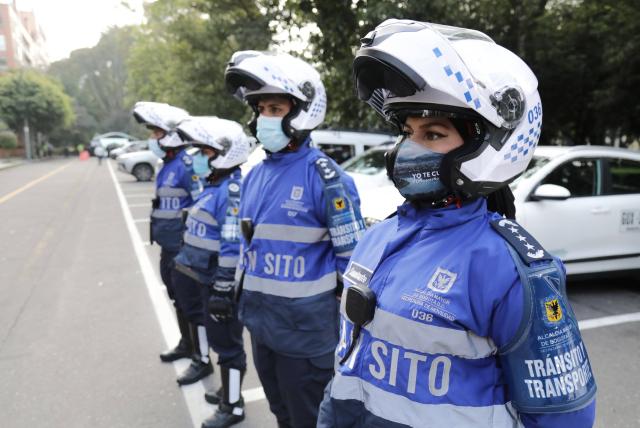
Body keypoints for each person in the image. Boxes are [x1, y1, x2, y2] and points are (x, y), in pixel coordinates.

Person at [317, 19, 597, 428]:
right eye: (407, 131)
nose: (408, 148)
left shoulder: (510, 271)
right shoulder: (377, 237)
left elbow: (565, 418)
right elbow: (347, 369)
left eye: (432, 133)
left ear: (485, 142)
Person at [224, 51, 366, 427]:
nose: (263, 118)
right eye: (259, 109)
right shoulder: (254, 176)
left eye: (274, 107)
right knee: (281, 414)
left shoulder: (326, 178)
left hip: (306, 338)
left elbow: (353, 265)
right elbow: (248, 250)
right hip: (262, 326)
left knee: (308, 419)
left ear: (301, 111)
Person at [172, 116, 251, 427]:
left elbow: (232, 245)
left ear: (224, 153)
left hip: (217, 283)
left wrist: (222, 289)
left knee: (228, 347)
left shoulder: (230, 191)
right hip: (202, 278)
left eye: (205, 153)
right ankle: (227, 393)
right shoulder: (214, 185)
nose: (200, 160)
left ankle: (233, 406)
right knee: (221, 343)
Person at [132, 101, 203, 367]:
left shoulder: (187, 164)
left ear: (172, 133)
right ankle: (187, 344)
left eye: (156, 133)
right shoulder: (167, 164)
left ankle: (201, 357)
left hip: (184, 250)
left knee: (192, 305)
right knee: (178, 300)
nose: (152, 138)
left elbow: (199, 207)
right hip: (168, 247)